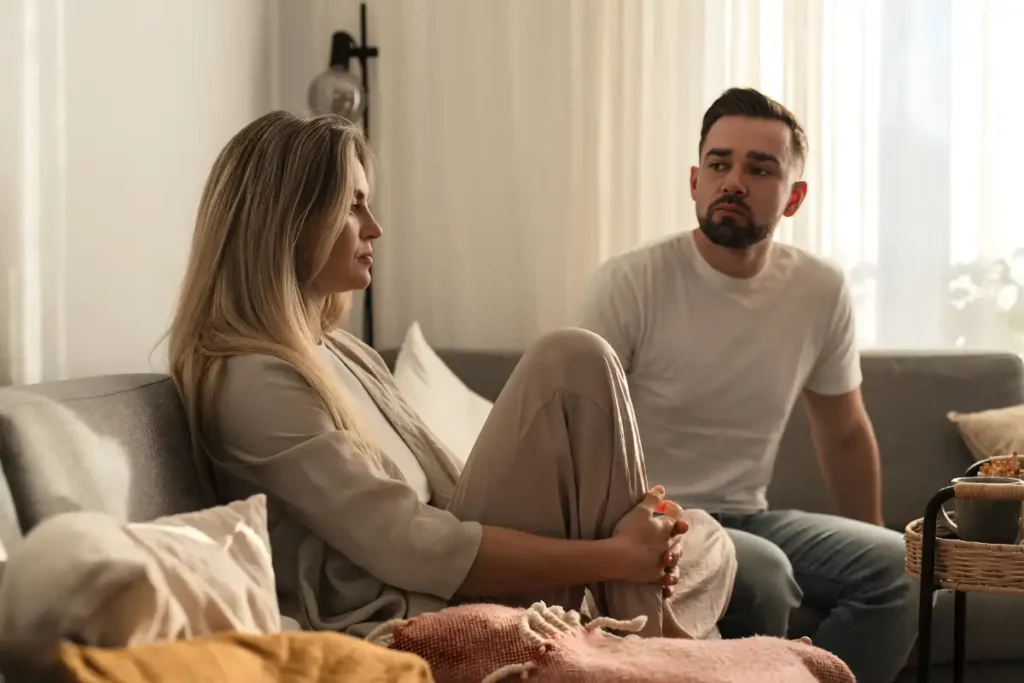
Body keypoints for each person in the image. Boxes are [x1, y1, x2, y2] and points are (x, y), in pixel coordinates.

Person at [166, 111, 738, 642]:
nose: (376, 227)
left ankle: (632, 616)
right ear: (287, 221)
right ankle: (642, 625)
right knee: (572, 360)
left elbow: (450, 492)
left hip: (462, 571)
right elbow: (409, 546)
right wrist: (615, 556)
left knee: (707, 537)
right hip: (420, 607)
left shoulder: (342, 351)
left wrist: (626, 538)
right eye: (354, 204)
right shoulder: (252, 380)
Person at [578, 88, 918, 683]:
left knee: (902, 565)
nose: (733, 180)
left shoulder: (818, 290)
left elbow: (843, 433)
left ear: (794, 197)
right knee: (761, 571)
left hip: (749, 514)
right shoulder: (630, 282)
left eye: (760, 169)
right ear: (694, 180)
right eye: (719, 164)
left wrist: (869, 530)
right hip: (652, 515)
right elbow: (576, 433)